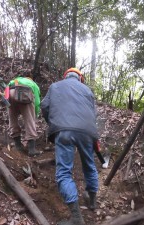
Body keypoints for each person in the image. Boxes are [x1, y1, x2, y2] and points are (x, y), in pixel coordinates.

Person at [41, 68, 99, 225]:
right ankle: (92, 200)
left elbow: (44, 106)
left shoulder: (55, 86)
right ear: (80, 78)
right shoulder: (87, 90)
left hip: (64, 131)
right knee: (89, 164)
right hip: (87, 132)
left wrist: (54, 122)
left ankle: (76, 217)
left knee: (64, 173)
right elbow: (93, 113)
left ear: (65, 76)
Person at [6, 70, 41, 157]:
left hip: (9, 91)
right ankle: (32, 150)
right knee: (29, 120)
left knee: (12, 118)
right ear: (30, 78)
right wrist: (35, 115)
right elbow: (36, 102)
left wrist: (8, 106)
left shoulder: (15, 80)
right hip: (24, 91)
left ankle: (18, 146)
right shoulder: (32, 84)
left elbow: (6, 91)